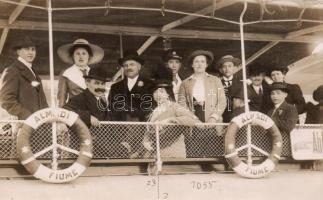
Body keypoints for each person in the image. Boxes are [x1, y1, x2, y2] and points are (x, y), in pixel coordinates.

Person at [178, 50, 226, 158]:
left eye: (202, 62)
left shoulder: (215, 80)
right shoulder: (185, 83)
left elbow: (222, 101)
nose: (199, 64)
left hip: (212, 118)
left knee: (213, 154)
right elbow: (181, 104)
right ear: (192, 64)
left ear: (206, 64)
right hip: (194, 118)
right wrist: (193, 119)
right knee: (194, 154)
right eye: (196, 62)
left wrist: (213, 118)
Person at [109, 50, 155, 157]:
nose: (128, 67)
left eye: (132, 64)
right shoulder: (115, 87)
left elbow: (151, 107)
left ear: (139, 67)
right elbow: (111, 108)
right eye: (125, 65)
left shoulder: (150, 84)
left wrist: (133, 112)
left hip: (143, 130)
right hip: (120, 132)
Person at [0, 36, 48, 120]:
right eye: (26, 49)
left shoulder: (34, 73)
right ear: (18, 52)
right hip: (24, 124)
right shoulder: (12, 71)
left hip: (39, 125)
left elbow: (42, 101)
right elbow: (6, 100)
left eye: (33, 49)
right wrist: (27, 116)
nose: (30, 52)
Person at [57, 38, 104, 107]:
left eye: (84, 53)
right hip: (75, 110)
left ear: (89, 56)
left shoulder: (94, 73)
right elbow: (62, 99)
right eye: (77, 53)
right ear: (73, 56)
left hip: (94, 112)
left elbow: (101, 95)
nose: (81, 56)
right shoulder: (66, 73)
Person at [215, 55, 242, 122]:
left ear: (235, 68)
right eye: (224, 66)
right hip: (221, 116)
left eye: (230, 66)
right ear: (221, 70)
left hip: (237, 116)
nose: (227, 69)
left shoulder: (241, 83)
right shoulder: (216, 83)